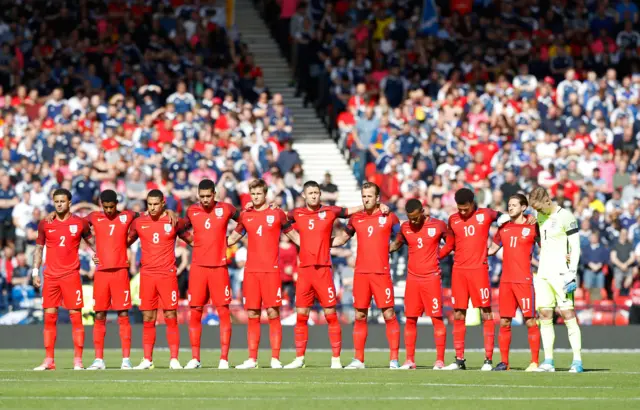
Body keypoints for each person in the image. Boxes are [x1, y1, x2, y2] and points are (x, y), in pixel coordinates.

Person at [283, 180, 388, 369]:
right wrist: (296, 238)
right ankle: (299, 358)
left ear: (320, 194)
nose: (314, 195)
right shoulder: (297, 213)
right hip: (305, 271)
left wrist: (379, 206)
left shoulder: (330, 211)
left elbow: (350, 210)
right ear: (304, 196)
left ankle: (336, 359)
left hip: (323, 270)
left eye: (316, 192)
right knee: (301, 316)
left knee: (331, 315)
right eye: (311, 193)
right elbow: (280, 219)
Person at [438, 188, 516, 371]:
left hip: (479, 271)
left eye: (466, 209)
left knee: (486, 313)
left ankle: (488, 360)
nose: (463, 212)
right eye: (460, 209)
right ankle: (459, 359)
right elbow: (450, 244)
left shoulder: (486, 214)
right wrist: (435, 256)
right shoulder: (453, 219)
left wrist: (496, 245)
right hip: (459, 271)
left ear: (473, 203)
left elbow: (505, 219)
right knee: (458, 314)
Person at [227, 179, 300, 369]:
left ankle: (275, 359)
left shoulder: (277, 214)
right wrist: (210, 242)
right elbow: (233, 237)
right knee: (252, 313)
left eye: (259, 193)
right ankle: (252, 359)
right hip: (251, 271)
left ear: (265, 194)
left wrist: (313, 245)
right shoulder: (246, 215)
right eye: (253, 194)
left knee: (273, 312)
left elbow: (293, 235)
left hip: (271, 271)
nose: (256, 197)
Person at [332, 182, 401, 369]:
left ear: (378, 198)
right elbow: (343, 238)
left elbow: (402, 236)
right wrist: (321, 242)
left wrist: (391, 248)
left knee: (388, 313)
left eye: (369, 196)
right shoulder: (356, 218)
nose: (366, 199)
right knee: (360, 315)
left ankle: (394, 360)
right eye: (364, 196)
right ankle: (358, 359)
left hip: (381, 273)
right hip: (361, 273)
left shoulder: (389, 216)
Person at [126, 189, 193, 370]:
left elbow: (192, 240)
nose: (153, 208)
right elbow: (124, 242)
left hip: (167, 275)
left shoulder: (173, 221)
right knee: (148, 317)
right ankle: (147, 359)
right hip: (147, 275)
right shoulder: (139, 223)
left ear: (163, 203)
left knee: (171, 315)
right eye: (150, 204)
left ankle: (174, 359)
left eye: (156, 204)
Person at [32, 188, 96, 371]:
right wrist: (35, 271)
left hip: (71, 276)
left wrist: (98, 257)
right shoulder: (45, 224)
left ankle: (78, 361)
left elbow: (93, 243)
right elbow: (38, 248)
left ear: (69, 203)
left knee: (76, 318)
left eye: (62, 201)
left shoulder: (80, 223)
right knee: (49, 319)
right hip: (50, 277)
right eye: (56, 201)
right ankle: (49, 360)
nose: (59, 204)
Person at [183, 179, 239, 370]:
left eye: (209, 196)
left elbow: (247, 221)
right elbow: (180, 228)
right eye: (202, 196)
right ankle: (195, 358)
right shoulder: (192, 211)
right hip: (198, 268)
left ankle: (224, 359)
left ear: (215, 194)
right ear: (198, 195)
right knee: (195, 311)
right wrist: (192, 242)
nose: (206, 199)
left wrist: (231, 240)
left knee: (223, 311)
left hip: (219, 268)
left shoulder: (227, 209)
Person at [528, 186, 583, 373]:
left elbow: (575, 246)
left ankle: (577, 360)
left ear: (547, 200)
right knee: (544, 315)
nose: (537, 211)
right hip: (543, 273)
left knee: (567, 314)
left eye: (538, 207)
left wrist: (572, 271)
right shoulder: (539, 217)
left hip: (562, 273)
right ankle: (549, 360)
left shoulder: (565, 216)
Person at [388, 199, 448, 370]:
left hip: (431, 279)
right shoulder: (406, 227)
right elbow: (397, 243)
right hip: (413, 279)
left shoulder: (438, 225)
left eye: (415, 217)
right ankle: (409, 360)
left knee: (436, 318)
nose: (413, 221)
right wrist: (382, 249)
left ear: (423, 211)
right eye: (410, 218)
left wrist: (438, 256)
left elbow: (451, 242)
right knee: (410, 319)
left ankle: (439, 360)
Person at [487, 194, 541, 372]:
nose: (510, 208)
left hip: (524, 280)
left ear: (524, 207)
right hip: (506, 281)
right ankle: (505, 363)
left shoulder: (533, 226)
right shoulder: (503, 228)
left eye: (514, 205)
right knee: (504, 321)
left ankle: (534, 362)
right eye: (509, 205)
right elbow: (493, 250)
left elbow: (546, 246)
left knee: (530, 320)